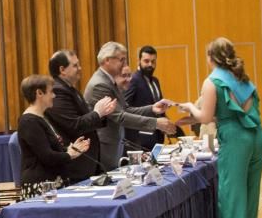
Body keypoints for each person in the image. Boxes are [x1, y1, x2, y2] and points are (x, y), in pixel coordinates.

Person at [180, 37, 262, 218]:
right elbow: (235, 111)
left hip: (236, 140)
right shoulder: (241, 77)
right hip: (257, 137)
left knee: (231, 197)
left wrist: (190, 107)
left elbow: (205, 117)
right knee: (249, 195)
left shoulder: (212, 81)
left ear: (210, 57)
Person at [84, 41, 177, 170]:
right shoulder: (100, 84)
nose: (125, 64)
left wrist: (152, 108)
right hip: (104, 147)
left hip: (114, 145)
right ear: (107, 60)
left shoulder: (109, 81)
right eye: (121, 59)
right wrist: (156, 123)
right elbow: (120, 117)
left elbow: (126, 109)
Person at [44, 49, 116, 184]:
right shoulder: (58, 91)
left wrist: (103, 113)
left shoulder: (70, 89)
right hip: (74, 164)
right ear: (62, 70)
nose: (80, 68)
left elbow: (87, 118)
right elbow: (74, 125)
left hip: (85, 162)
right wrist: (97, 113)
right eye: (75, 65)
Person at [17, 74, 91, 199]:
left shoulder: (42, 117)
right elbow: (46, 156)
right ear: (39, 93)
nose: (54, 96)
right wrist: (69, 155)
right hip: (41, 188)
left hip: (52, 184)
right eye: (51, 92)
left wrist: (69, 149)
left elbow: (51, 149)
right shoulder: (29, 122)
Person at [124, 45, 166, 150]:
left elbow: (157, 104)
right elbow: (125, 107)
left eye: (153, 61)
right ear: (139, 61)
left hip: (157, 136)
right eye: (146, 61)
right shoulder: (133, 80)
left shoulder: (155, 81)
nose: (150, 65)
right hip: (140, 138)